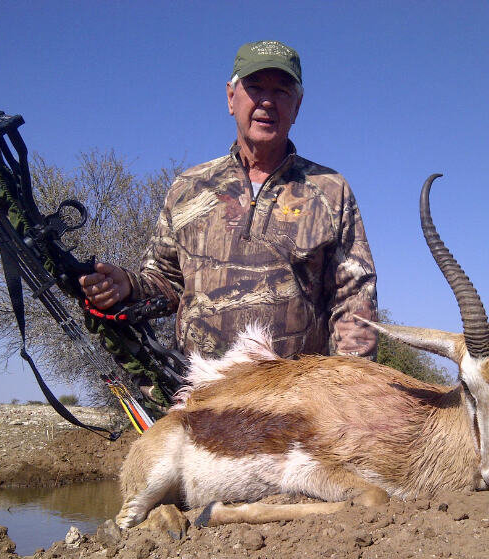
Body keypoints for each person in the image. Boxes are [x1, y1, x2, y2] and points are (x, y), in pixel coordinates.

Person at [80, 40, 378, 361]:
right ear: (230, 98)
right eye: (254, 87)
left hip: (295, 398)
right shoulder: (188, 188)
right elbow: (165, 283)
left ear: (298, 106)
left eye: (281, 91)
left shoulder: (330, 189)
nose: (267, 101)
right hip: (202, 391)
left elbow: (354, 298)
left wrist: (350, 385)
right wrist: (127, 285)